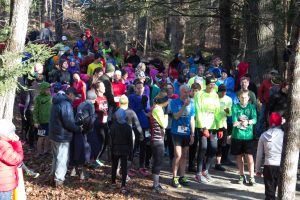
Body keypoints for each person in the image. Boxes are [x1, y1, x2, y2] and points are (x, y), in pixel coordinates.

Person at [48, 87, 82, 187]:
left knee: (55, 157)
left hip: (54, 134)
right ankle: (59, 180)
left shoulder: (56, 101)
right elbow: (68, 123)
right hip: (62, 136)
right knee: (62, 159)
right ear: (70, 94)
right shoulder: (66, 104)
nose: (74, 99)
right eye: (74, 97)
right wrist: (78, 129)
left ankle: (52, 177)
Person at [194, 76, 221, 183]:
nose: (212, 86)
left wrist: (219, 127)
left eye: (214, 84)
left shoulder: (215, 95)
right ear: (206, 84)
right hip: (202, 126)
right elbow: (198, 110)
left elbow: (218, 111)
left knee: (214, 148)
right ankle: (198, 173)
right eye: (211, 84)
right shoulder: (199, 94)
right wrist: (203, 127)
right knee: (203, 147)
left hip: (213, 125)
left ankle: (206, 170)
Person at [170, 85, 195, 188]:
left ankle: (182, 176)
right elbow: (175, 116)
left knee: (184, 155)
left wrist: (192, 134)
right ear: (180, 92)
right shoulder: (174, 102)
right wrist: (184, 106)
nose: (186, 94)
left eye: (187, 92)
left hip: (187, 132)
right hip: (176, 132)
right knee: (178, 155)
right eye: (184, 92)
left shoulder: (192, 103)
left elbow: (192, 119)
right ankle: (174, 177)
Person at [231, 91, 257, 186]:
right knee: (239, 156)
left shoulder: (252, 107)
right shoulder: (235, 107)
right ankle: (241, 175)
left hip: (248, 136)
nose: (243, 99)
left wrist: (248, 122)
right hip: (237, 135)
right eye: (241, 97)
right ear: (238, 98)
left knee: (249, 157)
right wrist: (240, 122)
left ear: (249, 98)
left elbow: (255, 119)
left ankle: (251, 177)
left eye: (245, 98)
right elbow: (234, 122)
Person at [256, 112, 283, 200]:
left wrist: (258, 169)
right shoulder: (285, 135)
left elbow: (259, 155)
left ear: (269, 122)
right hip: (282, 166)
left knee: (269, 193)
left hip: (268, 165)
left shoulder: (263, 136)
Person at [70, 90, 97, 180]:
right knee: (86, 150)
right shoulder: (91, 105)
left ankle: (74, 170)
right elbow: (91, 119)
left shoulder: (81, 104)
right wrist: (89, 130)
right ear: (93, 99)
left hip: (77, 128)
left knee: (77, 149)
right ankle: (83, 173)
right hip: (85, 130)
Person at [129, 81, 151, 176]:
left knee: (144, 146)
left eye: (141, 88)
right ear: (135, 88)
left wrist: (145, 104)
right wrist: (141, 104)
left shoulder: (146, 96)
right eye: (138, 88)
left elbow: (148, 110)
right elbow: (134, 110)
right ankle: (130, 166)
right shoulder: (132, 97)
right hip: (136, 125)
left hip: (145, 124)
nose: (140, 90)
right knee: (134, 146)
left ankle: (142, 166)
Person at [119, 95, 143, 176]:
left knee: (119, 152)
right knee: (129, 153)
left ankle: (118, 170)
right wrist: (141, 134)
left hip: (119, 134)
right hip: (129, 134)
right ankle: (125, 171)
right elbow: (138, 125)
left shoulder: (117, 111)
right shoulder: (131, 112)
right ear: (128, 102)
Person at [150, 91, 169, 193]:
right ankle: (155, 185)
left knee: (157, 161)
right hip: (157, 139)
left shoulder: (157, 108)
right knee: (158, 162)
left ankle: (156, 184)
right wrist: (166, 114)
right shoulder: (158, 109)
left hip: (157, 138)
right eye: (167, 100)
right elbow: (164, 124)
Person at [110, 108, 133, 194]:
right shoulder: (127, 127)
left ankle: (113, 183)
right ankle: (123, 185)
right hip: (125, 150)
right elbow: (130, 141)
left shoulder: (113, 126)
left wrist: (110, 152)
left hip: (115, 149)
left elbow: (110, 141)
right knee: (124, 167)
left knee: (114, 166)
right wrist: (131, 153)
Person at [0, 120, 24, 200]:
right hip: (3, 186)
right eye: (12, 132)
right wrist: (17, 143)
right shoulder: (3, 146)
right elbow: (17, 159)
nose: (14, 134)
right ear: (6, 133)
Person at [215, 84, 232, 171]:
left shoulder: (229, 99)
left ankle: (218, 163)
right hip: (213, 124)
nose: (224, 93)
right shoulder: (214, 97)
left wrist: (228, 111)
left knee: (221, 145)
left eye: (225, 91)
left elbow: (230, 114)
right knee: (212, 145)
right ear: (218, 91)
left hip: (223, 125)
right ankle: (205, 163)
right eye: (222, 91)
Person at [33, 82, 52, 157]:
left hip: (49, 121)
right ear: (43, 89)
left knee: (48, 137)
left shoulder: (50, 97)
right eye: (46, 90)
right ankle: (39, 152)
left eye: (49, 90)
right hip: (41, 122)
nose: (48, 91)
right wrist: (36, 121)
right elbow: (35, 110)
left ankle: (46, 150)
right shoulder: (38, 98)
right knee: (41, 137)